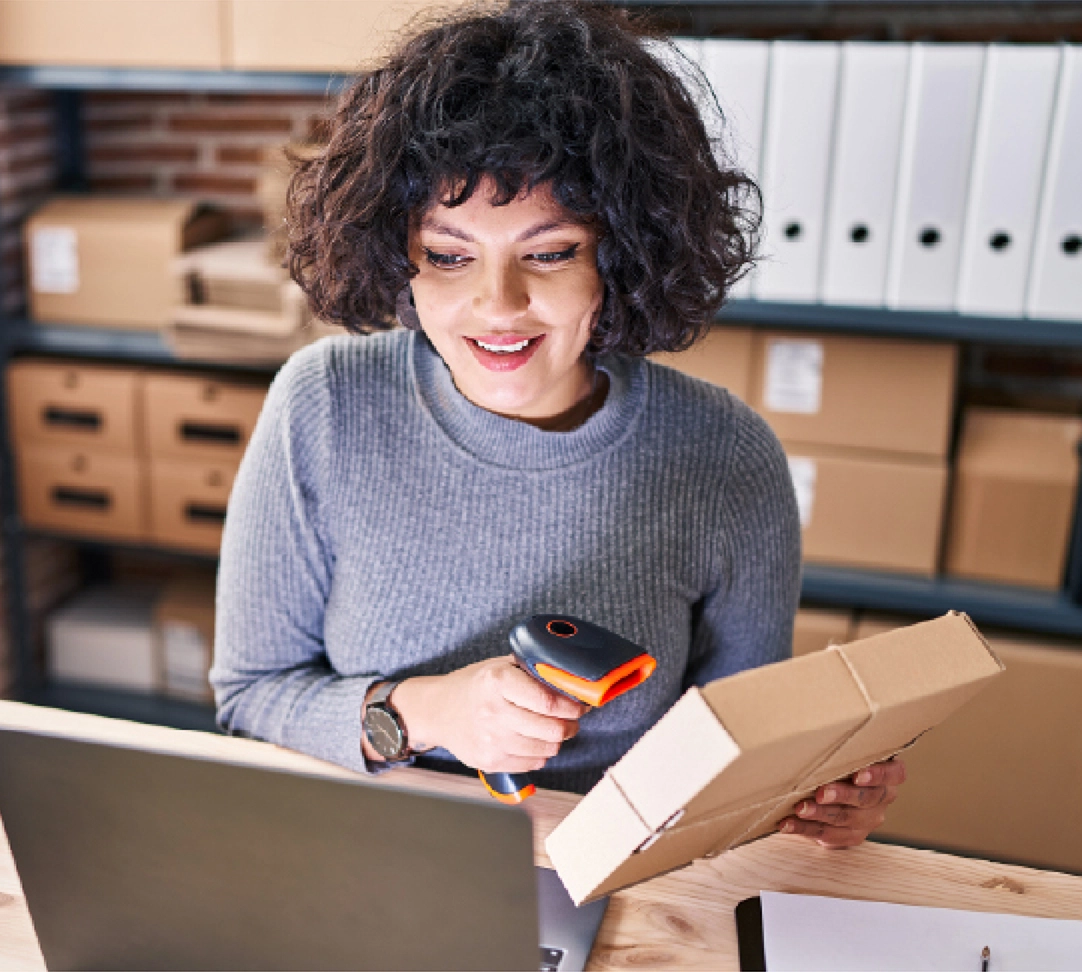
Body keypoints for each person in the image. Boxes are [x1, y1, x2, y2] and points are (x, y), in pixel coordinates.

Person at [211, 0, 903, 849]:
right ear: (400, 255)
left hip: (608, 885)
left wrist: (809, 804)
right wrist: (424, 713)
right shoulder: (322, 407)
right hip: (359, 858)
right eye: (450, 254)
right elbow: (250, 698)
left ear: (622, 255)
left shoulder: (727, 458)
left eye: (549, 252)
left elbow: (736, 763)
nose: (496, 307)